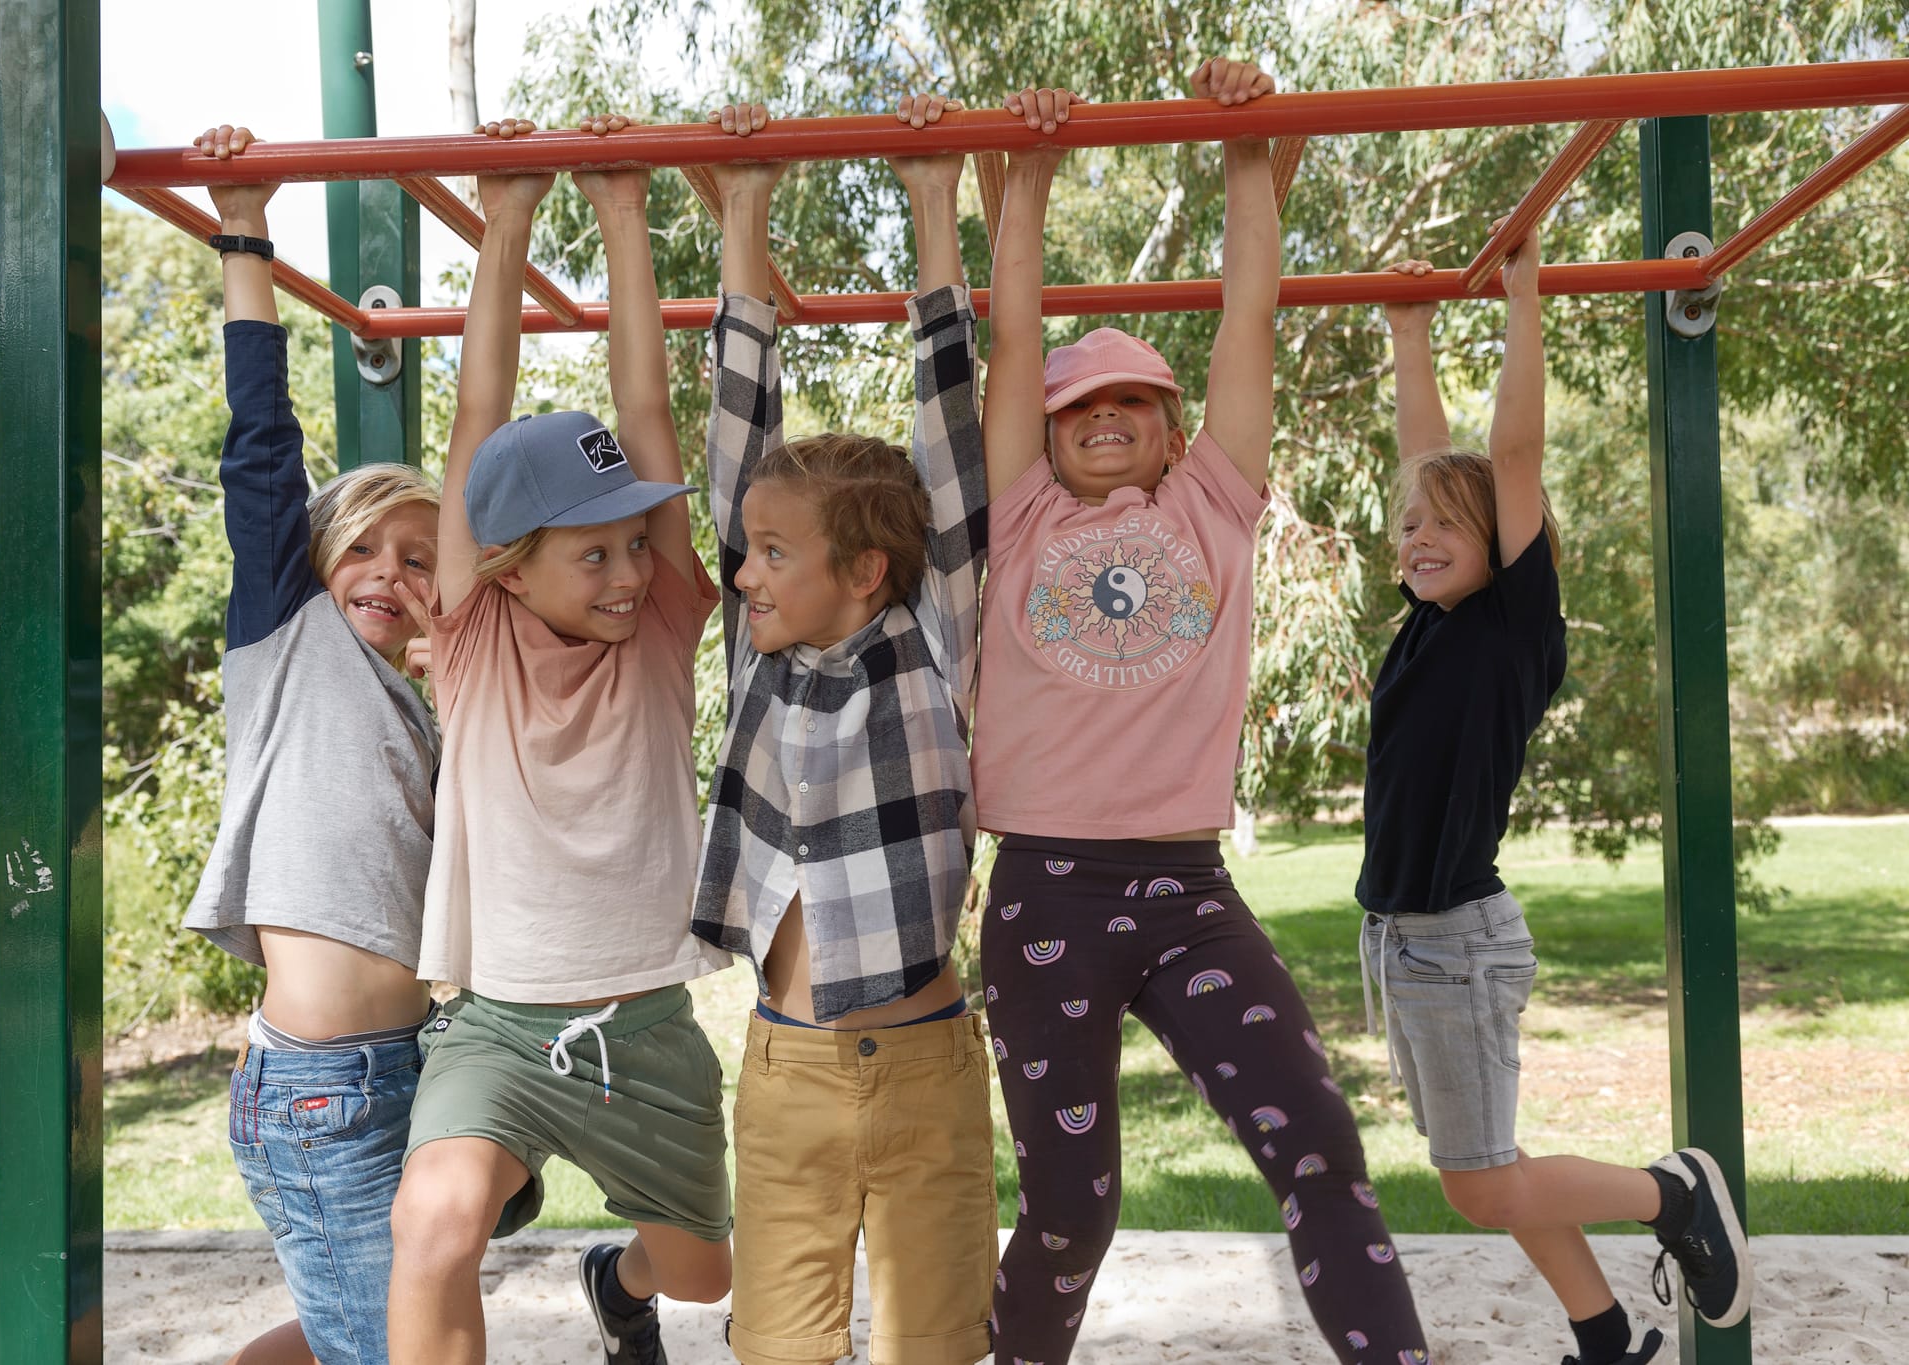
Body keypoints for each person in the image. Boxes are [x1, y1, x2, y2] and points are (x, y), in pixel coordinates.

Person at [973, 64, 1435, 1364]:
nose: (1104, 416)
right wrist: (1033, 166)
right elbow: (1015, 337)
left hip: (1186, 890)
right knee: (1072, 1211)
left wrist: (1248, 152)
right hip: (1047, 895)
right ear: (1047, 441)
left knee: (1320, 1141)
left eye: (1134, 401)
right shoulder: (1020, 517)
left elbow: (1251, 313)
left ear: (1180, 433)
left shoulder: (1212, 510)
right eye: (1077, 408)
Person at [1361, 240, 1753, 1365]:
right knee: (1489, 1168)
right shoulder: (1427, 623)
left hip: (1453, 941)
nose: (1419, 539)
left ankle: (1667, 1197)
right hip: (1399, 936)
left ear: (1507, 543)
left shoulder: (1510, 623)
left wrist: (1521, 302)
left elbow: (1507, 451)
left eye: (1446, 526)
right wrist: (1406, 336)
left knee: (1480, 1187)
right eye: (1407, 527)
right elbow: (1427, 461)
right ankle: (1603, 1338)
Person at [381, 117, 732, 1365]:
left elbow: (644, 406)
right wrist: (507, 218)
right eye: (596, 553)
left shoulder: (659, 631)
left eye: (639, 543)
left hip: (643, 1025)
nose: (633, 572)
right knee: (432, 1226)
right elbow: (478, 407)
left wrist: (624, 209)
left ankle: (619, 1279)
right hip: (497, 1025)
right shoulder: (473, 637)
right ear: (511, 571)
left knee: (701, 1276)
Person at [690, 93, 998, 1365]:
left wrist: (935, 201)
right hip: (785, 1074)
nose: (748, 572)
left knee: (932, 1345)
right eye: (745, 553)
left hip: (923, 1066)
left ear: (867, 571)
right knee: (777, 1349)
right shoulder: (752, 660)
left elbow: (949, 432)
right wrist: (745, 211)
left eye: (775, 554)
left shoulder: (931, 642)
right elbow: (734, 434)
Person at [183, 123, 441, 1365]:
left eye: (420, 562)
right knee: (392, 1345)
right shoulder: (288, 641)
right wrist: (246, 231)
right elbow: (262, 452)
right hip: (324, 1091)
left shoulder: (423, 707)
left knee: (390, 1325)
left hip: (408, 1067)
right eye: (365, 551)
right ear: (311, 563)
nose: (390, 576)